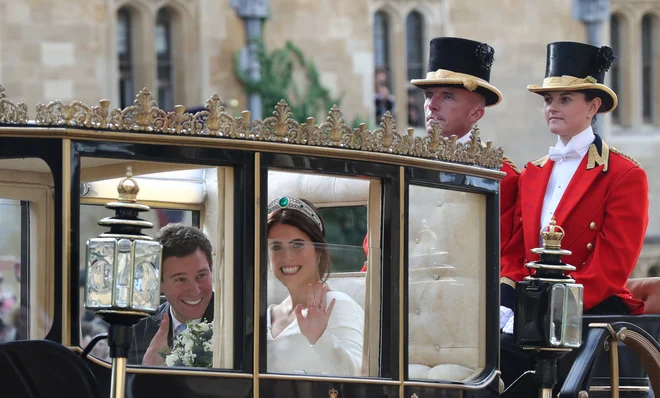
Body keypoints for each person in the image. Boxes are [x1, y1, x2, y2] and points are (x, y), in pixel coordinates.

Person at [499, 41, 649, 392]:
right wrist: (509, 302)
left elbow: (612, 268)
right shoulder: (533, 173)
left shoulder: (624, 174)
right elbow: (518, 251)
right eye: (548, 100)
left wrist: (547, 310)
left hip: (589, 312)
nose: (552, 107)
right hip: (532, 311)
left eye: (565, 99)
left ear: (593, 106)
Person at [410, 37, 520, 250]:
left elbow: (504, 255)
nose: (431, 105)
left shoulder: (501, 175)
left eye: (447, 96)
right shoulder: (403, 164)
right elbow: (377, 245)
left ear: (476, 113)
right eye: (429, 95)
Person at [266, 196, 364, 376]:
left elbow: (358, 376)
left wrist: (321, 338)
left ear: (318, 250)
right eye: (276, 247)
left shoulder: (338, 306)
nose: (287, 256)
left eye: (297, 245)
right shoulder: (267, 315)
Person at [128, 223, 215, 366]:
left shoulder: (235, 323)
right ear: (158, 283)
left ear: (211, 269)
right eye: (181, 279)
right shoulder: (138, 329)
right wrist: (146, 373)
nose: (195, 291)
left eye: (201, 276)